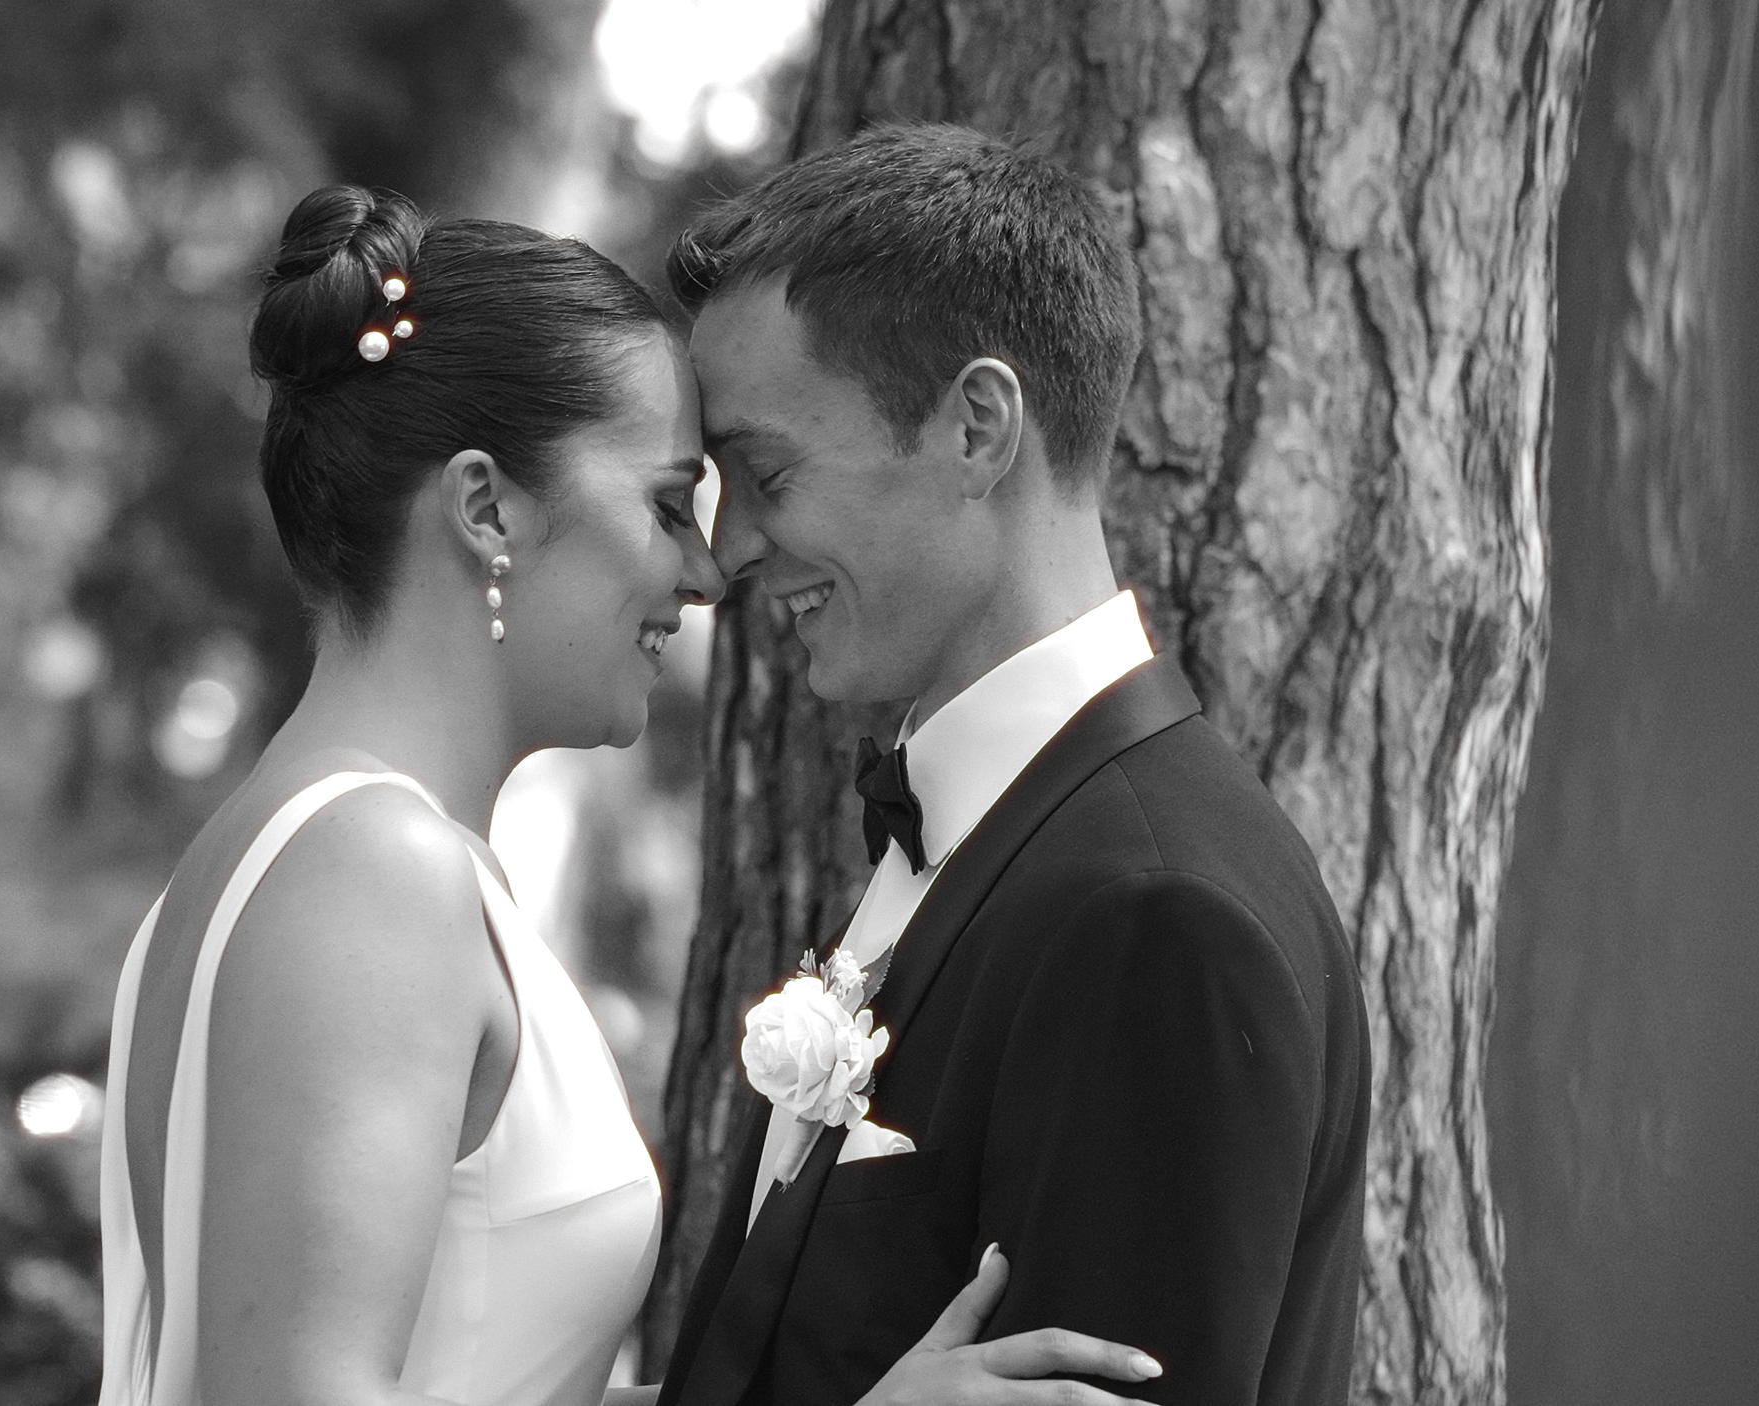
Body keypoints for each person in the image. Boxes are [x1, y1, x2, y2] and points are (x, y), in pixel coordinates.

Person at [97, 185, 1164, 1406]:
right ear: (486, 507)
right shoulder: (372, 873)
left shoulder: (301, 849)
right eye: (665, 504)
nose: (708, 571)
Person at [653, 125, 1374, 1406]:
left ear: (977, 427)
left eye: (764, 472)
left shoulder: (1157, 917)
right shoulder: (990, 833)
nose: (732, 548)